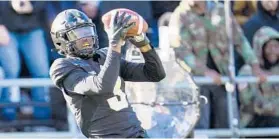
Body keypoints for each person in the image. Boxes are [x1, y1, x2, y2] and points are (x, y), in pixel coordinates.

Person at [49, 9, 165, 138]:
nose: (87, 37)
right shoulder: (63, 66)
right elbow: (102, 86)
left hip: (137, 134)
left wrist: (142, 41)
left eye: (88, 31)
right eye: (79, 34)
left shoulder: (105, 55)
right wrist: (115, 44)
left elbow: (155, 74)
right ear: (62, 39)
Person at [169, 0, 266, 129]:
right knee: (200, 127)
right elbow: (180, 49)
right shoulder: (180, 15)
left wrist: (255, 65)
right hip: (194, 82)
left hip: (223, 79)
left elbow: (240, 40)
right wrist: (204, 71)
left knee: (226, 124)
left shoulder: (222, 10)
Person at [238, 26, 279, 128]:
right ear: (259, 48)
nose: (273, 51)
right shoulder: (247, 71)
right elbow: (247, 102)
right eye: (268, 46)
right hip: (253, 121)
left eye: (276, 46)